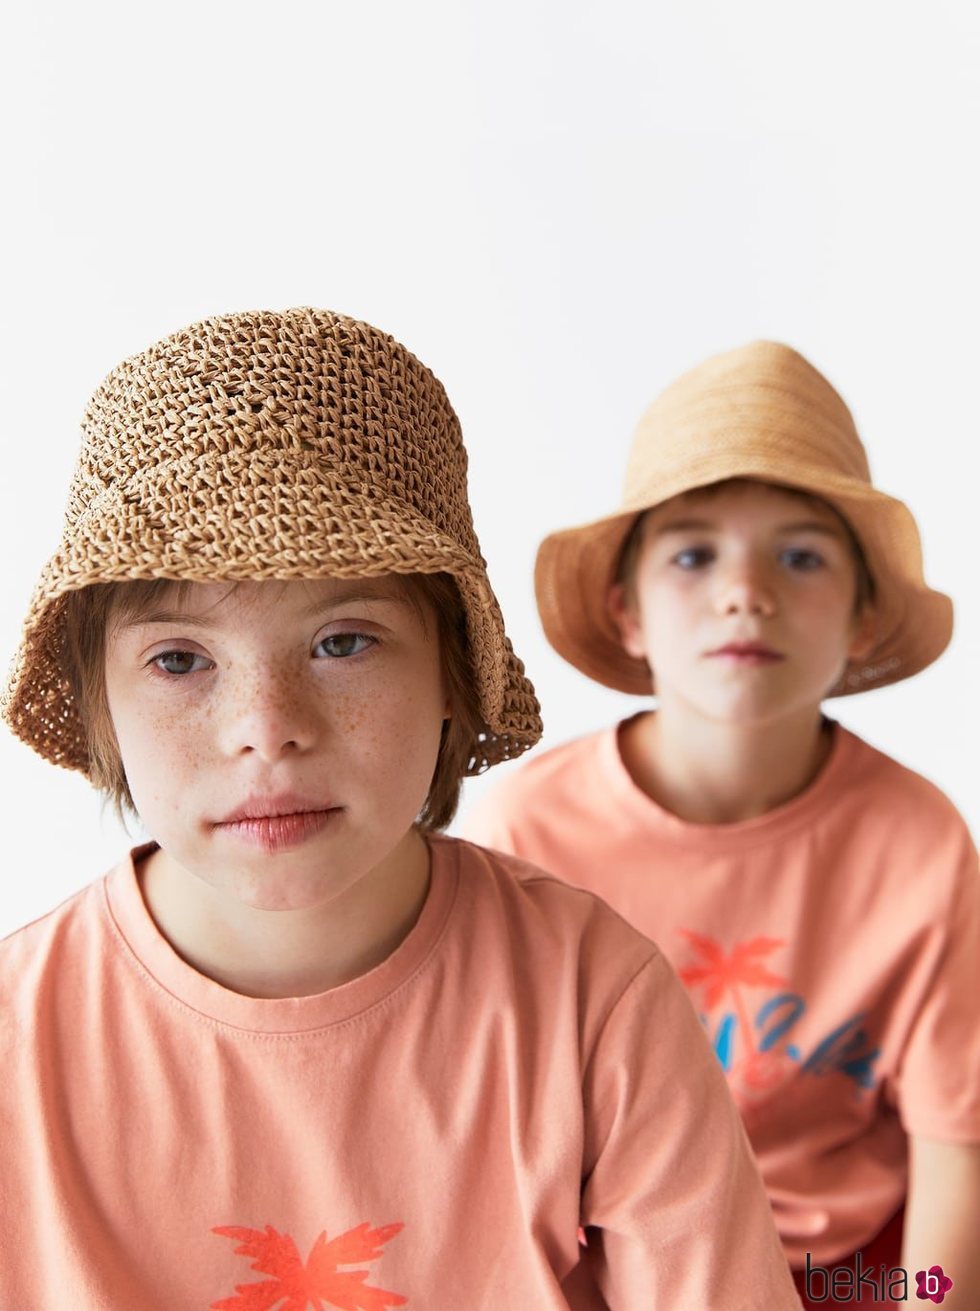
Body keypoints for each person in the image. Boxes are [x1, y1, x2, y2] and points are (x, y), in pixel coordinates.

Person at [0, 310, 800, 1309]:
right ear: (99, 703)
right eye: (178, 659)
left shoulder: (593, 1000)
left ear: (452, 677)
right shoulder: (17, 1042)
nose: (266, 728)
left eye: (344, 641)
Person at [463, 341, 980, 1308]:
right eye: (695, 554)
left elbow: (955, 1146)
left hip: (851, 1277)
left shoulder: (921, 841)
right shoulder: (529, 829)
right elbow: (494, 1158)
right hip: (620, 1276)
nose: (746, 590)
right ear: (629, 612)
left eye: (801, 555)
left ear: (863, 618)